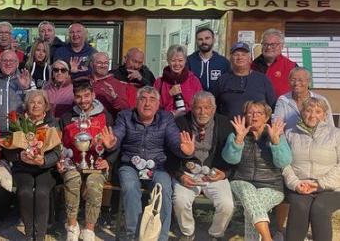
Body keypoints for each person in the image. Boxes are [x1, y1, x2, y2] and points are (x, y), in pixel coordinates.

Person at [101, 86, 195, 241]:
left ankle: (160, 237)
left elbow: (174, 140)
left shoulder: (166, 118)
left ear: (158, 104)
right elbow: (117, 134)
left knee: (165, 188)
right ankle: (134, 236)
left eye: (152, 100)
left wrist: (184, 151)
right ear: (136, 102)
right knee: (131, 188)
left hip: (158, 166)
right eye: (143, 99)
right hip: (130, 165)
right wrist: (111, 143)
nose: (147, 104)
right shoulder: (125, 116)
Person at [169, 92, 235, 241]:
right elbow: (169, 154)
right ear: (191, 108)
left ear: (213, 109)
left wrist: (225, 173)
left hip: (214, 173)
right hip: (188, 172)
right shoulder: (180, 123)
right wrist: (181, 175)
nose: (203, 112)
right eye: (198, 108)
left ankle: (216, 234)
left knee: (227, 205)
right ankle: (187, 233)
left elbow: (232, 155)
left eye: (207, 107)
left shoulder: (224, 123)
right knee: (180, 200)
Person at [222, 101, 291, 241]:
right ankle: (267, 238)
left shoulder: (276, 135)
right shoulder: (236, 135)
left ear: (266, 117)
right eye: (250, 113)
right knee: (248, 192)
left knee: (251, 208)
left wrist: (276, 143)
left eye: (259, 113)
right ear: (245, 116)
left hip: (271, 186)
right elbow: (230, 159)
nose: (254, 116)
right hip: (241, 182)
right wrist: (239, 140)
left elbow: (284, 162)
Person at [59, 80, 114, 241]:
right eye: (78, 97)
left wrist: (108, 161)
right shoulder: (67, 117)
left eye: (87, 96)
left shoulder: (106, 116)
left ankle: (89, 228)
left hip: (97, 164)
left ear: (93, 95)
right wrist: (62, 160)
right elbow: (60, 144)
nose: (83, 100)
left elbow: (113, 143)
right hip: (73, 163)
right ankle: (72, 226)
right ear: (74, 97)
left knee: (94, 183)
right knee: (72, 178)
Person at [3, 89, 60, 241]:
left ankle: (40, 236)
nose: (35, 105)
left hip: (44, 168)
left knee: (42, 192)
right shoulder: (17, 123)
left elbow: (57, 153)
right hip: (23, 168)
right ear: (26, 105)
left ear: (46, 106)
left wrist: (44, 161)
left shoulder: (53, 123)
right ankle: (29, 235)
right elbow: (7, 150)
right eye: (32, 102)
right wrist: (18, 156)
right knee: (25, 192)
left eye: (40, 102)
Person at [283, 97, 340, 241]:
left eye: (318, 111)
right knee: (300, 206)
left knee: (319, 208)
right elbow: (283, 163)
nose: (312, 115)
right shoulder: (290, 134)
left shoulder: (336, 134)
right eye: (308, 110)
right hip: (299, 185)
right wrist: (296, 183)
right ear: (302, 113)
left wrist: (320, 184)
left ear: (325, 115)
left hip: (331, 187)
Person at [212, 42, 276, 118]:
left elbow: (272, 106)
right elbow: (213, 106)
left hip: (256, 127)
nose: (240, 57)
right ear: (231, 59)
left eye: (243, 55)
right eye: (236, 55)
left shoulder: (262, 79)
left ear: (250, 59)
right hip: (228, 127)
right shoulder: (222, 80)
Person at [0, 49, 32, 133]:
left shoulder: (25, 78)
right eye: (4, 60)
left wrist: (26, 88)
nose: (8, 63)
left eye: (12, 61)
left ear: (17, 63)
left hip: (19, 132)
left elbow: (34, 106)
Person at [80, 51, 134, 119]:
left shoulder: (116, 84)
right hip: (83, 120)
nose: (103, 66)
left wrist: (115, 98)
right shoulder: (83, 81)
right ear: (91, 64)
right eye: (99, 63)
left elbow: (126, 109)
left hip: (107, 124)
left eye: (106, 63)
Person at [155, 44, 202, 114]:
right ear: (168, 61)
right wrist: (169, 94)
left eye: (180, 60)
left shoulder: (194, 80)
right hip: (165, 121)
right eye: (173, 60)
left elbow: (200, 103)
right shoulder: (159, 82)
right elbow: (153, 105)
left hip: (187, 121)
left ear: (185, 61)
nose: (177, 64)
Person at [252, 28, 298, 98]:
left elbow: (303, 90)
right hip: (258, 107)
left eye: (273, 44)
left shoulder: (292, 67)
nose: (269, 47)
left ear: (282, 46)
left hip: (283, 107)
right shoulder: (252, 65)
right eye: (265, 44)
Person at [186, 27, 230, 91]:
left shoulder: (223, 62)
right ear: (196, 41)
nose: (204, 42)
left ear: (213, 40)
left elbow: (227, 84)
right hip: (195, 100)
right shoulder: (189, 61)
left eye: (207, 38)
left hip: (218, 100)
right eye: (200, 39)